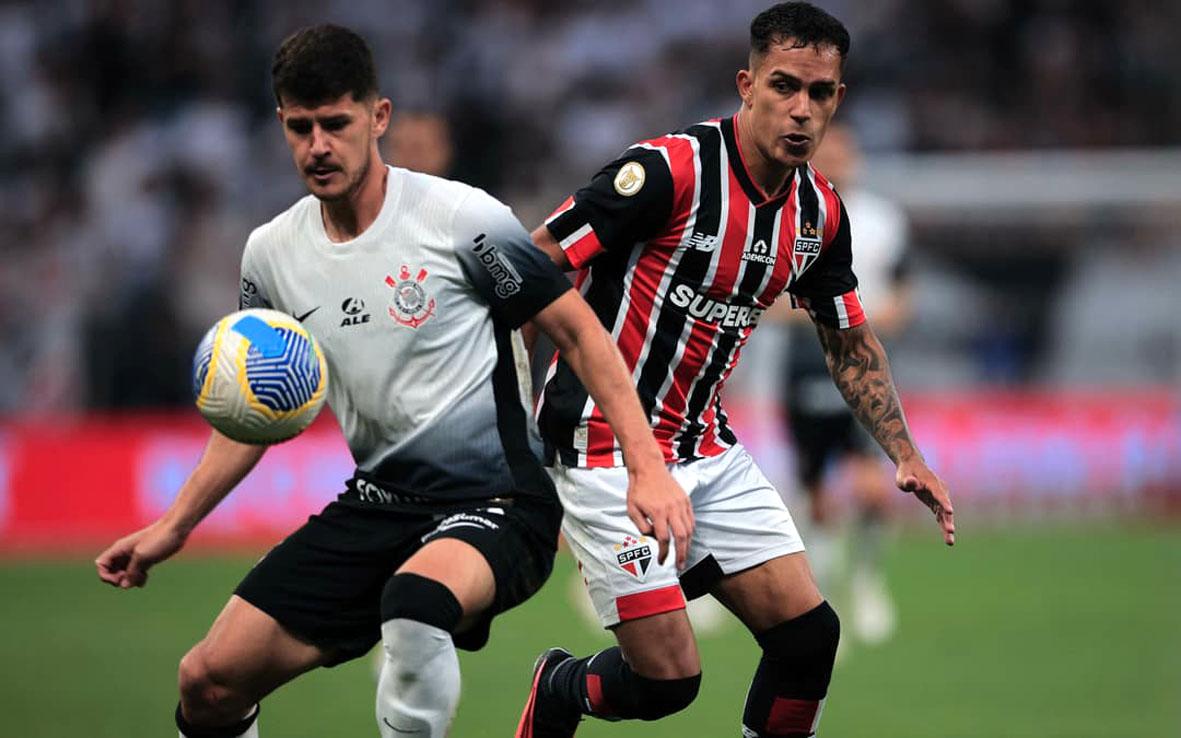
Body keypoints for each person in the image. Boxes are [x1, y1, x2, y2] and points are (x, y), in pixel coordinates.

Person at [94, 25, 692, 738]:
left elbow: (577, 330)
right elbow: (251, 416)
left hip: (501, 500)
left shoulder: (459, 220)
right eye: (300, 127)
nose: (318, 146)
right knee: (208, 682)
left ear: (378, 118)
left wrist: (645, 466)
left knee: (414, 603)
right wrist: (173, 526)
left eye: (336, 124)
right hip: (378, 504)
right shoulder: (271, 255)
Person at [515, 4, 954, 738]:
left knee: (808, 640)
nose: (800, 109)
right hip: (603, 447)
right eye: (784, 86)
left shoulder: (818, 213)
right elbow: (532, 267)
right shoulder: (666, 171)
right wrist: (493, 407)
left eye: (818, 93)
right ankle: (561, 686)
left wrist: (903, 453)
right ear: (745, 85)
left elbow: (847, 340)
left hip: (705, 448)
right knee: (667, 682)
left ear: (836, 100)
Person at [778, 123, 913, 645]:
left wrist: (866, 323)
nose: (836, 160)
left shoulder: (882, 220)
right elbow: (770, 303)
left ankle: (868, 579)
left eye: (843, 152)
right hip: (806, 365)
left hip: (862, 367)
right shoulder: (788, 215)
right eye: (826, 152)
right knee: (816, 493)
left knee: (873, 487)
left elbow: (904, 295)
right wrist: (826, 318)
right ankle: (824, 581)